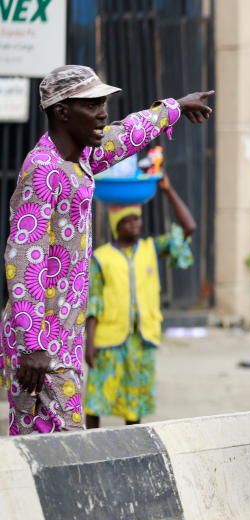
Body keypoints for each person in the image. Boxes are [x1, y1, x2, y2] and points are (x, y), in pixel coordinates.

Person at [1, 64, 213, 436]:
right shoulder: (43, 170)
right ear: (62, 112)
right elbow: (23, 257)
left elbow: (125, 134)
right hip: (42, 339)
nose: (103, 113)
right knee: (63, 444)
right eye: (93, 105)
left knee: (38, 446)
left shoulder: (80, 159)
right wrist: (33, 343)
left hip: (64, 333)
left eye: (104, 103)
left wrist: (174, 107)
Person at [83, 170, 197, 428]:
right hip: (108, 340)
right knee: (96, 398)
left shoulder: (150, 249)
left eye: (138, 219)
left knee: (134, 402)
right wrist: (89, 343)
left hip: (141, 338)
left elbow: (189, 227)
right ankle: (88, 442)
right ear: (117, 225)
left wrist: (167, 190)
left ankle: (134, 444)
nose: (136, 224)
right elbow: (94, 302)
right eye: (129, 220)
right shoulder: (101, 258)